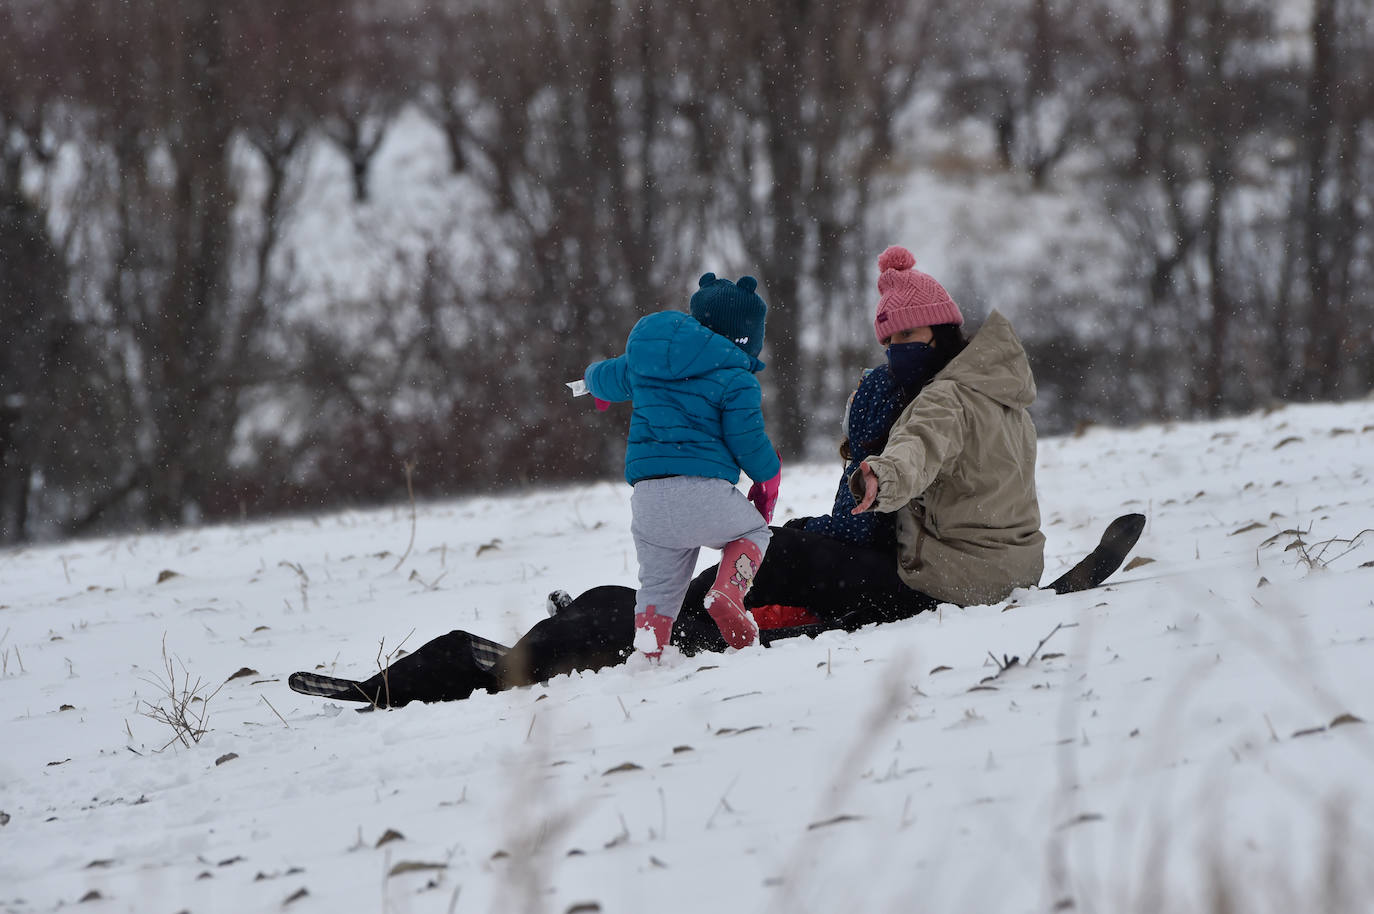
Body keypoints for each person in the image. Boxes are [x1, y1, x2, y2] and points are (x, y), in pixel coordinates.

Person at [290, 247, 1142, 708]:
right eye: (889, 347)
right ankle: (658, 608)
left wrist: (877, 479)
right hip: (1001, 564)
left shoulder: (939, 403)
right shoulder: (999, 385)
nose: (894, 359)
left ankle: (672, 619)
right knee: (778, 552)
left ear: (939, 335)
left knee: (766, 566)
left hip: (939, 580)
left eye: (904, 344)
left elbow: (914, 458)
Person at [582, 273, 782, 656]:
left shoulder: (648, 357)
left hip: (649, 500)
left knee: (658, 587)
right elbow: (747, 442)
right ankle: (727, 594)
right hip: (703, 492)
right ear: (746, 339)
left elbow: (610, 375)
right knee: (755, 532)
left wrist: (593, 384)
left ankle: (649, 647)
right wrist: (768, 473)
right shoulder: (735, 377)